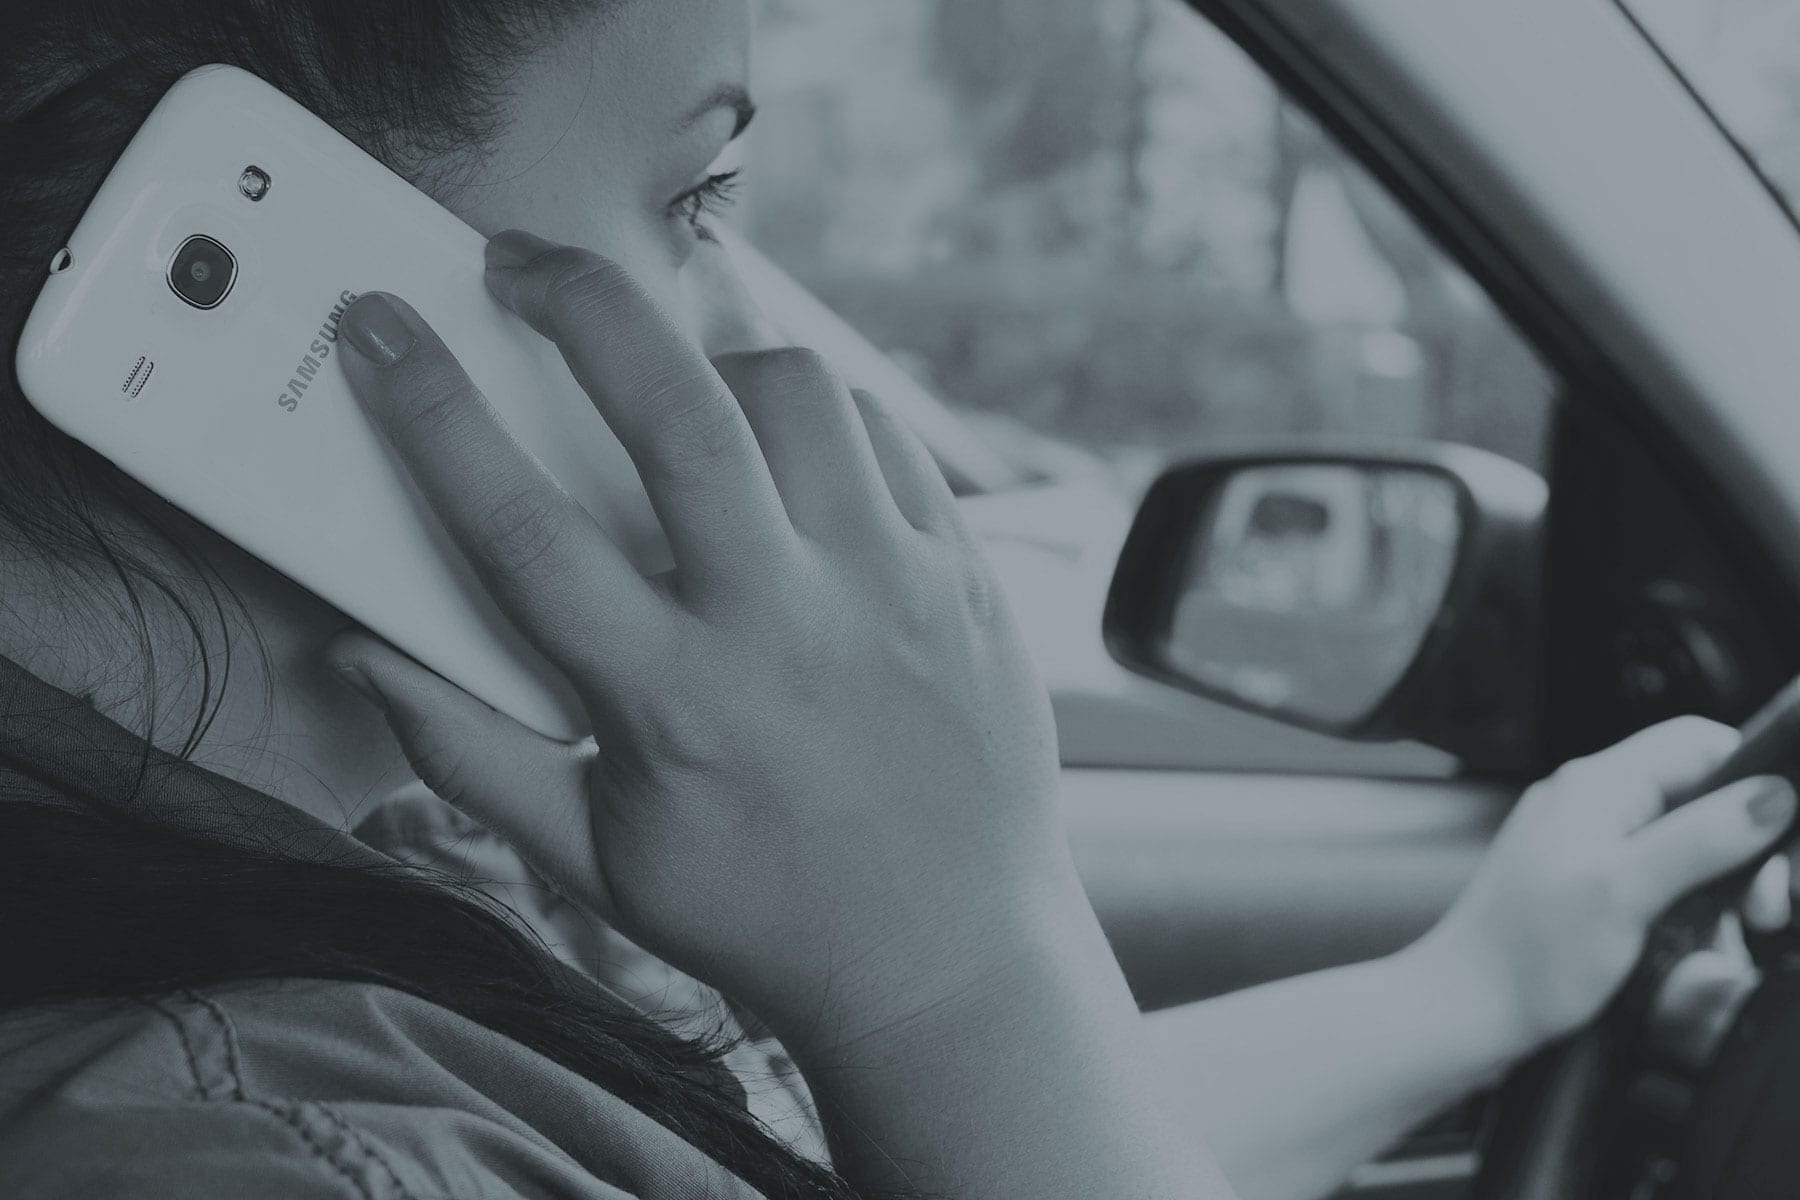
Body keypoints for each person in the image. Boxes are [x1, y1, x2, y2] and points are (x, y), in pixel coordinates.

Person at [0, 3, 1794, 1198]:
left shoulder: (381, 846)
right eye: (700, 195)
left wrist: (1471, 986)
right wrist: (956, 958)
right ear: (293, 246)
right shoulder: (243, 1151)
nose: (765, 345)